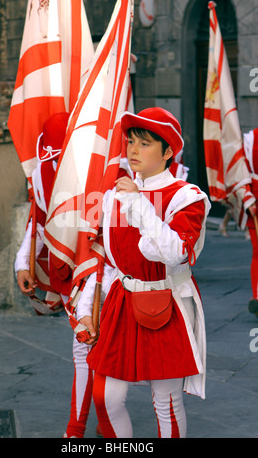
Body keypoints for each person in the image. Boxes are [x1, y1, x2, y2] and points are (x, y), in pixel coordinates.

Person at [76, 107, 211, 438]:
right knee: (105, 397)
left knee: (166, 401)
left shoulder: (188, 197)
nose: (133, 150)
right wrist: (87, 309)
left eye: (145, 143)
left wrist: (139, 204)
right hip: (121, 302)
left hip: (165, 302)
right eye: (130, 141)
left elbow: (172, 252)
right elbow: (107, 260)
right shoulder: (113, 197)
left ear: (168, 152)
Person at [14, 112, 95, 438]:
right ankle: (88, 425)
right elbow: (38, 216)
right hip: (65, 269)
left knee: (92, 346)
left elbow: (99, 226)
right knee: (86, 346)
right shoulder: (43, 172)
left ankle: (86, 425)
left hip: (98, 268)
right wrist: (24, 261)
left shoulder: (97, 169)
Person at [243, 128, 258, 316]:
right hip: (255, 200)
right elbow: (242, 173)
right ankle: (256, 296)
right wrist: (248, 197)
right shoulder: (251, 138)